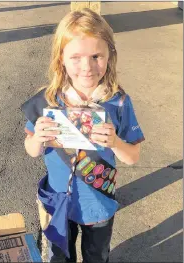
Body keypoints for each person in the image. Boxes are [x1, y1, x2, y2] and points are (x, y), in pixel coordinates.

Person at [23, 8, 145, 263]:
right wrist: (37, 139)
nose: (87, 67)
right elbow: (31, 149)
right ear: (61, 59)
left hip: (98, 203)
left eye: (96, 56)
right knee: (59, 256)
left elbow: (132, 156)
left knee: (97, 256)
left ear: (109, 55)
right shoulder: (47, 100)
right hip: (58, 201)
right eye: (75, 57)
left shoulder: (119, 103)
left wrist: (115, 142)